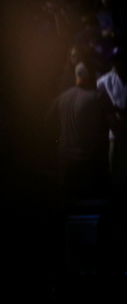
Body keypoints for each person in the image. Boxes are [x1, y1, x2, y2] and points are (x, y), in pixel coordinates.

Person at [46, 62, 116, 202]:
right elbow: (116, 127)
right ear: (89, 77)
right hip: (91, 164)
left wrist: (57, 140)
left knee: (68, 205)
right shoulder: (98, 97)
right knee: (93, 207)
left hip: (66, 162)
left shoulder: (62, 97)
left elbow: (47, 121)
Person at [96, 47, 127, 187]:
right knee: (113, 164)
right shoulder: (104, 81)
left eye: (119, 59)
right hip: (114, 127)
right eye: (114, 60)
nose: (116, 63)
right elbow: (100, 107)